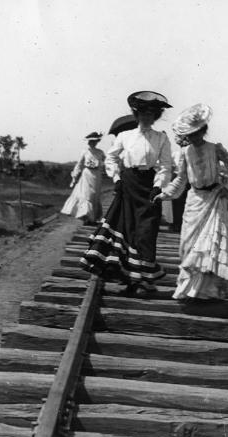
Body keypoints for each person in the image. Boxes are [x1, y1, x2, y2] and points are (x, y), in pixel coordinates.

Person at [80, 91, 173, 296]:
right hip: (128, 184)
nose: (146, 117)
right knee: (128, 229)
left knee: (147, 231)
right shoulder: (125, 136)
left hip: (149, 186)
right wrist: (117, 179)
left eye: (151, 114)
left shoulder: (161, 138)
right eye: (142, 113)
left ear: (156, 116)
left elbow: (166, 165)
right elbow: (111, 159)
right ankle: (130, 278)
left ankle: (145, 281)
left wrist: (159, 185)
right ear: (136, 114)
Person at [153, 103, 228, 300]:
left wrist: (226, 189)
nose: (193, 137)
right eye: (190, 134)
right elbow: (180, 179)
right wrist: (165, 194)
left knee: (211, 245)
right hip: (194, 201)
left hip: (214, 200)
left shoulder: (216, 149)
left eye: (197, 133)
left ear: (203, 130)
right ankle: (189, 289)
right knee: (188, 244)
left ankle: (208, 292)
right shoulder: (185, 153)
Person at [60, 132, 105, 225]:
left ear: (97, 141)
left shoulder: (100, 152)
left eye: (93, 141)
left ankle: (93, 217)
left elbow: (106, 162)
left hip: (97, 175)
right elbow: (79, 164)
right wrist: (75, 176)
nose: (91, 143)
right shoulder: (84, 152)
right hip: (87, 174)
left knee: (94, 196)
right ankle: (86, 217)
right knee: (87, 195)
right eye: (90, 141)